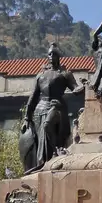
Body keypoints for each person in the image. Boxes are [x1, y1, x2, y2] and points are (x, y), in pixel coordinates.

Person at [20, 44, 84, 173]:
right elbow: (33, 97)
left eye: (54, 54)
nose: (51, 56)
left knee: (47, 127)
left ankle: (55, 154)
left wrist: (85, 86)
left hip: (57, 107)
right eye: (49, 54)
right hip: (39, 109)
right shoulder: (40, 75)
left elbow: (75, 89)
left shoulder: (65, 74)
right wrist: (27, 117)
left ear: (59, 56)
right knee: (39, 140)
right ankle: (42, 164)